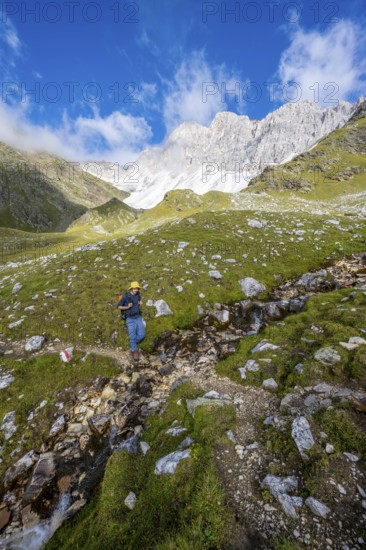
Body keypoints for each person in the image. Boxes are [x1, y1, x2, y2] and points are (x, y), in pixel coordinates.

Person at [117, 281, 145, 362]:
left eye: (137, 288)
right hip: (130, 318)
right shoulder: (126, 296)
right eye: (135, 288)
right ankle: (134, 350)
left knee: (142, 335)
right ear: (131, 288)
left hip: (138, 317)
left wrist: (140, 303)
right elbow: (119, 307)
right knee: (132, 335)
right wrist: (127, 307)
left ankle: (132, 344)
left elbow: (138, 303)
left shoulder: (138, 295)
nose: (136, 289)